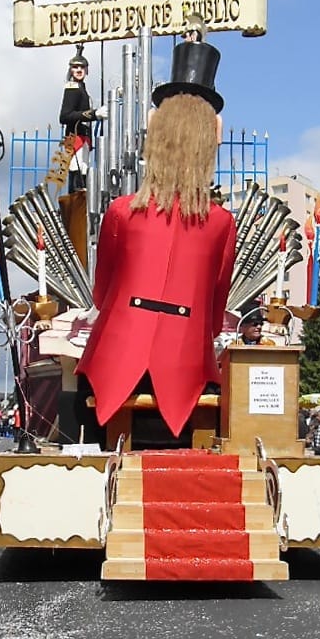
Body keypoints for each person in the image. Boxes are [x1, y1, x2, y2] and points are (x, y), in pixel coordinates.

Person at [75, 39, 236, 439]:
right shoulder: (220, 222)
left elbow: (101, 294)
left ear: (155, 132)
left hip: (114, 361)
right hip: (186, 368)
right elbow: (215, 314)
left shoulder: (121, 211)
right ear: (210, 138)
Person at [59, 44, 107, 194]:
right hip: (76, 138)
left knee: (83, 168)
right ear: (71, 70)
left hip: (83, 137)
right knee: (77, 168)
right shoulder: (72, 88)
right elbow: (65, 116)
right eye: (75, 67)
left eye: (82, 67)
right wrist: (94, 114)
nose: (79, 70)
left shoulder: (81, 88)